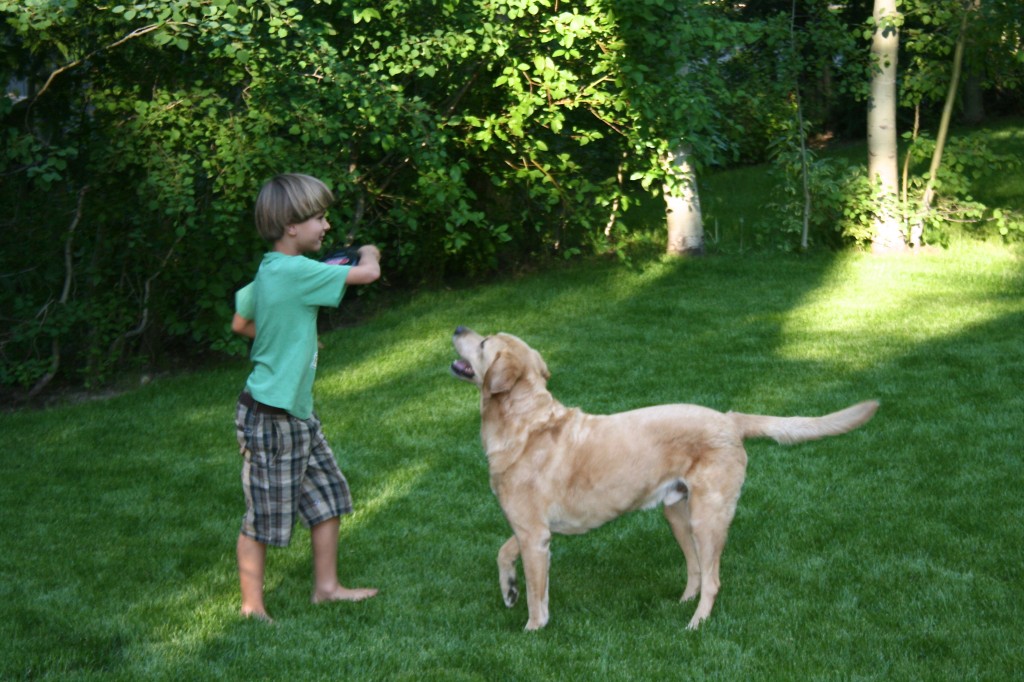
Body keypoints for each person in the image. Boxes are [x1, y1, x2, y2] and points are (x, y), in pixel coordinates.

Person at [231, 173, 381, 622]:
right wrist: (369, 250)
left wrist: (288, 339)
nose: (326, 226)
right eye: (319, 218)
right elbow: (369, 273)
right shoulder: (298, 270)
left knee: (328, 498)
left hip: (295, 413)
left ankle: (327, 588)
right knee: (264, 516)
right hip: (272, 419)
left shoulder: (270, 269)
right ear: (291, 226)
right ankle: (251, 607)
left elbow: (241, 324)